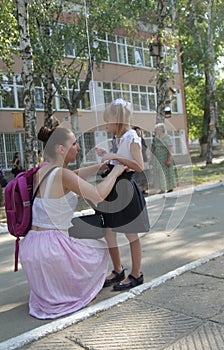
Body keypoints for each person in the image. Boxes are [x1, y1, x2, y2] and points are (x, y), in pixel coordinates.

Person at [19, 125, 126, 320]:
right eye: (74, 144)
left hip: (32, 248)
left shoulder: (42, 171)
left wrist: (99, 167)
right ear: (61, 149)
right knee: (99, 248)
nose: (78, 148)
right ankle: (69, 288)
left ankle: (53, 288)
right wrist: (114, 173)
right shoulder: (62, 174)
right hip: (51, 250)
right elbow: (97, 195)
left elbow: (73, 175)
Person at [95, 98, 150, 291]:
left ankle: (136, 274)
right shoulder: (120, 138)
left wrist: (114, 157)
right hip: (114, 187)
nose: (106, 125)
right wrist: (108, 157)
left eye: (108, 121)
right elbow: (121, 162)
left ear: (117, 120)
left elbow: (139, 166)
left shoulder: (132, 137)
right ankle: (118, 270)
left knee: (130, 234)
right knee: (109, 231)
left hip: (125, 188)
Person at [150, 123, 177, 193]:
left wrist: (168, 160)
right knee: (159, 173)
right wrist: (152, 158)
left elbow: (170, 148)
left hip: (165, 158)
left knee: (167, 173)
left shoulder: (166, 137)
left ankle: (170, 188)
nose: (156, 131)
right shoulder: (155, 138)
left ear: (161, 130)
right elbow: (153, 148)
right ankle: (162, 188)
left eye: (157, 129)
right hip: (158, 159)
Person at [132, 126, 148, 194]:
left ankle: (144, 188)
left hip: (143, 159)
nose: (138, 132)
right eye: (137, 131)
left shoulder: (142, 140)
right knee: (137, 175)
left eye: (139, 131)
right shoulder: (133, 140)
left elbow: (144, 148)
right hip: (136, 160)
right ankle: (139, 190)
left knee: (144, 175)